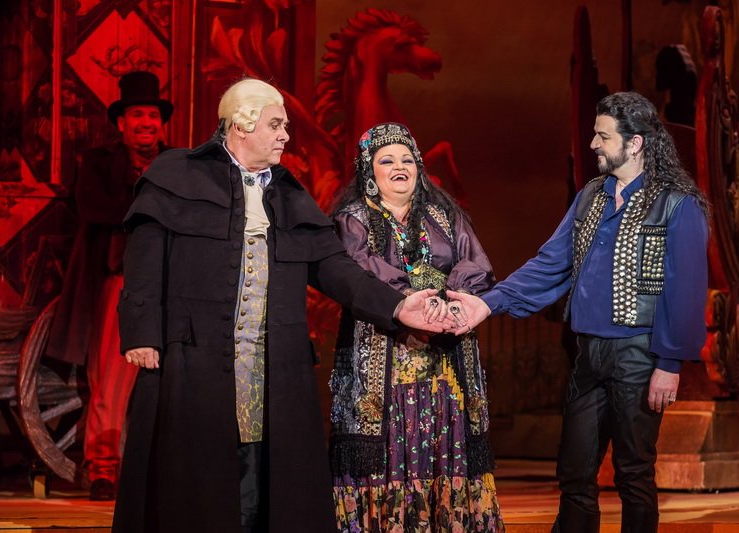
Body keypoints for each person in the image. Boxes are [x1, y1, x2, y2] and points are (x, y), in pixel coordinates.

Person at [112, 79, 448, 533]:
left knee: (264, 474)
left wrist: (397, 307)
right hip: (192, 356)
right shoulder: (177, 177)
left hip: (272, 364)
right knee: (195, 475)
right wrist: (142, 333)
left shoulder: (288, 195)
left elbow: (336, 268)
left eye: (284, 126)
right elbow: (145, 260)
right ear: (240, 125)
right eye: (275, 125)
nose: (285, 136)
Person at [447, 92, 709, 533]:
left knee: (634, 472)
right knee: (574, 470)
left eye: (603, 136)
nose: (593, 144)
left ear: (635, 143)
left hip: (639, 354)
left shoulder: (677, 203)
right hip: (589, 353)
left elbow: (685, 290)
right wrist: (488, 302)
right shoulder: (592, 196)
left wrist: (669, 364)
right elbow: (551, 263)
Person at [329, 122, 505, 532]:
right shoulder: (353, 220)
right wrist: (413, 301)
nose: (399, 167)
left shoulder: (444, 216)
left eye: (407, 160)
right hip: (385, 361)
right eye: (387, 160)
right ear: (368, 171)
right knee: (390, 448)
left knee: (445, 442)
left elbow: (474, 262)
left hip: (444, 366)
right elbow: (361, 270)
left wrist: (452, 301)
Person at [46, 71, 172, 501]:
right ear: (122, 123)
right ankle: (103, 468)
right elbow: (95, 209)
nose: (146, 123)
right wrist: (150, 207)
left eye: (152, 115)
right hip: (122, 282)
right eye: (137, 115)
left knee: (174, 381)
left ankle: (164, 468)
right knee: (112, 380)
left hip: (172, 284)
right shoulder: (99, 163)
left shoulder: (178, 165)